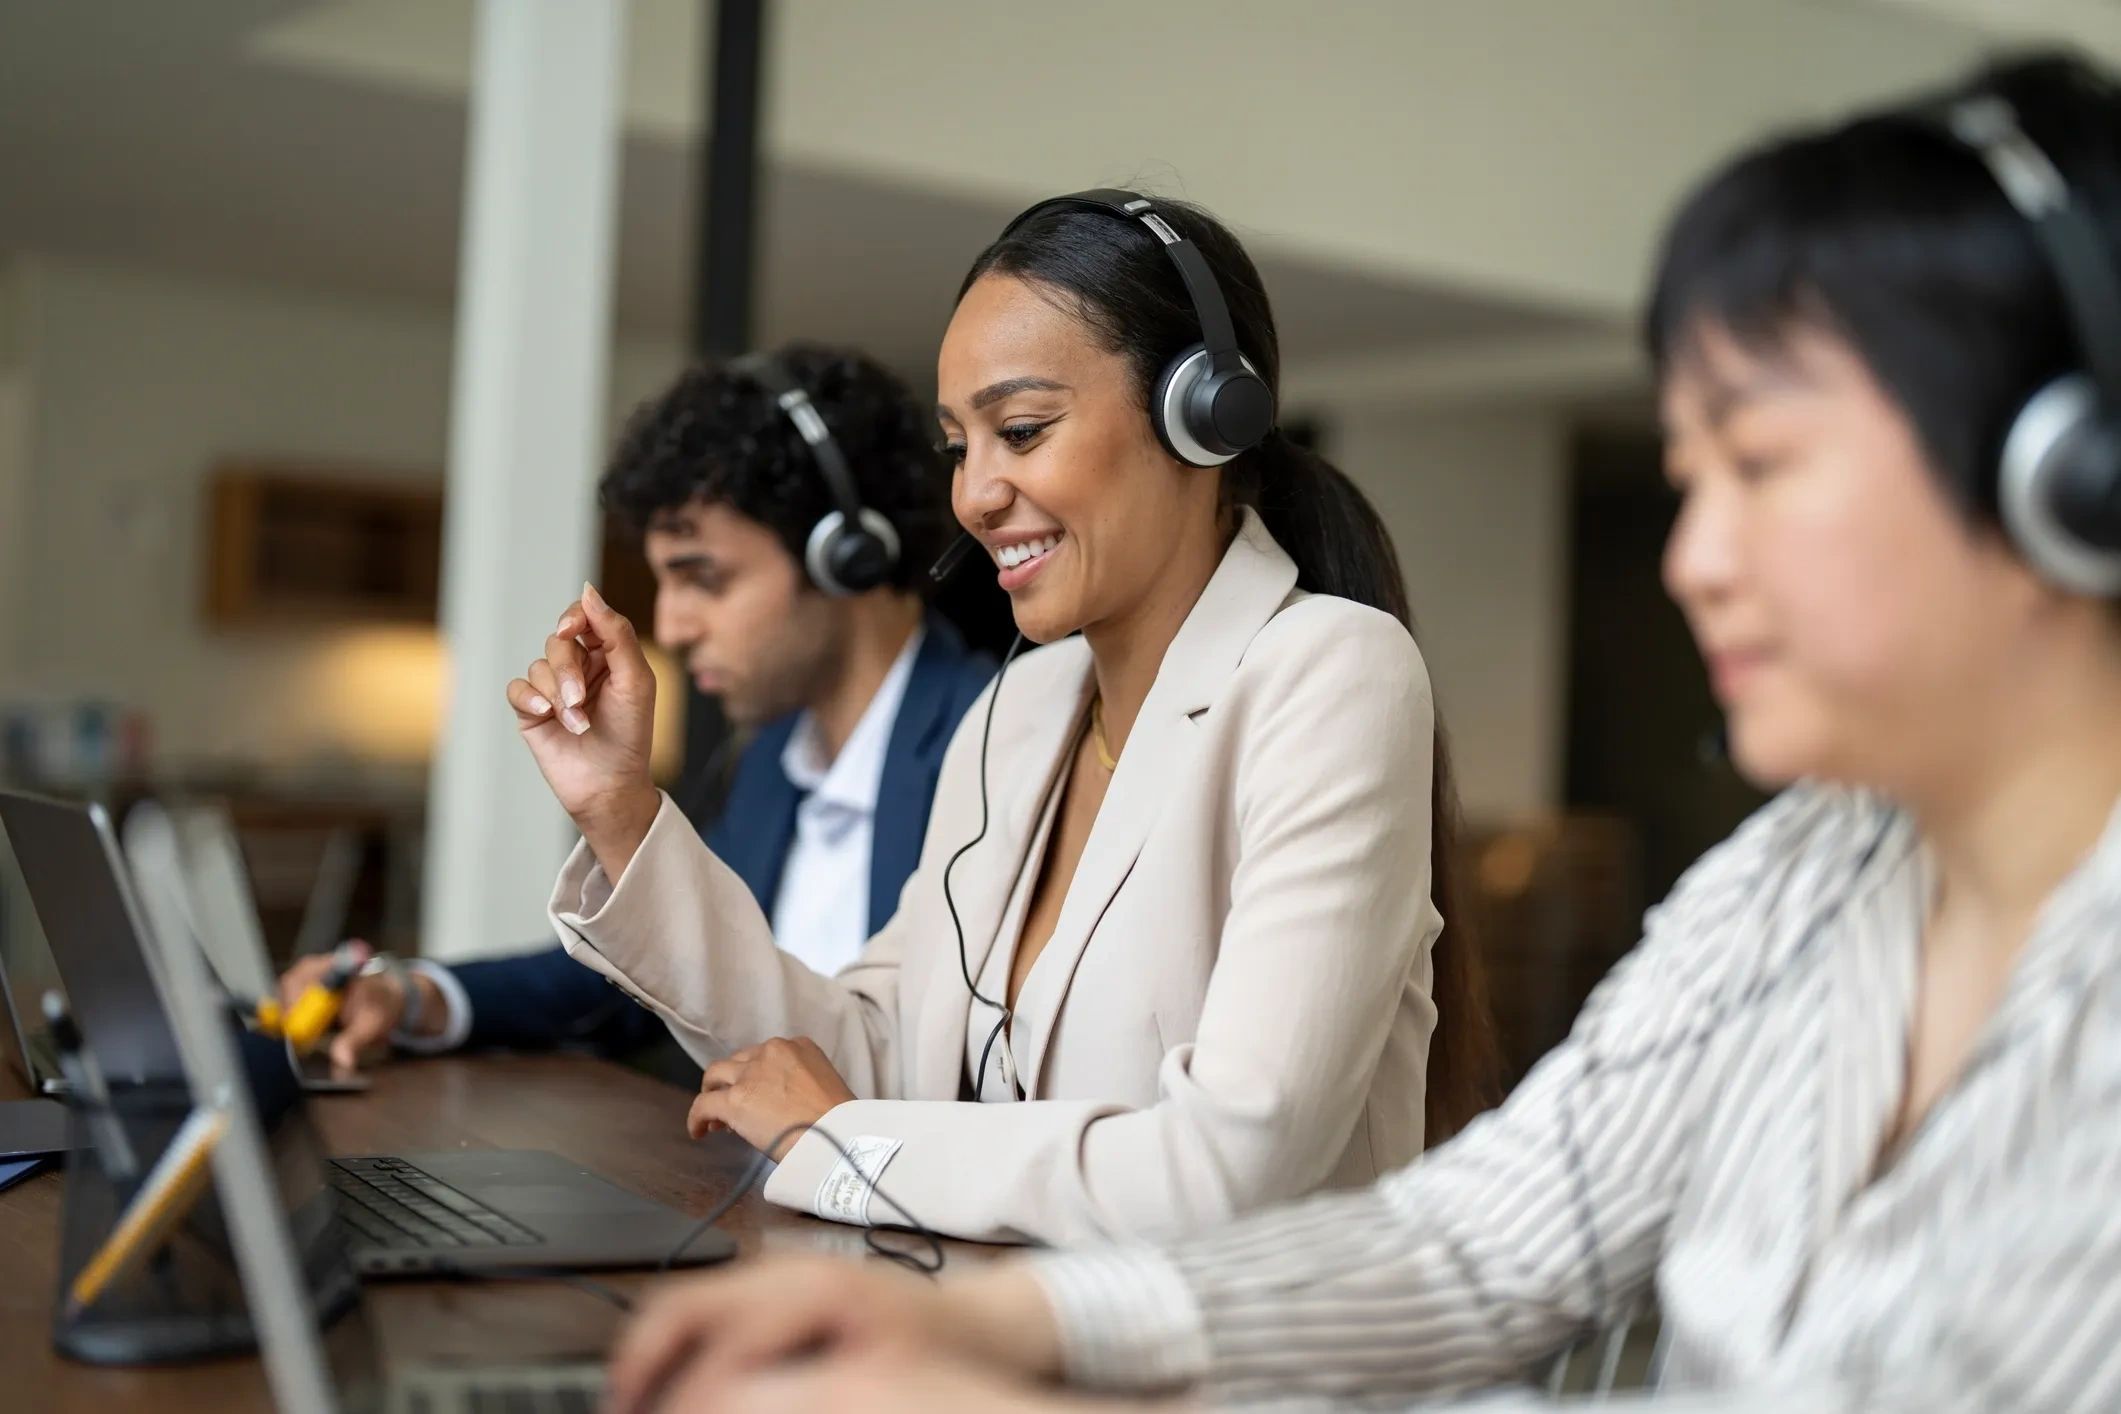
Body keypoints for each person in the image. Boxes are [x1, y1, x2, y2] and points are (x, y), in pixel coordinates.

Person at [589, 52, 2121, 1414]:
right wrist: (1002, 1324)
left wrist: (987, 1352)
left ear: (2073, 475)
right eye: (1686, 476)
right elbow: (1479, 1240)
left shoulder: (1325, 673)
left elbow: (1239, 1174)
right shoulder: (1801, 875)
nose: (1691, 558)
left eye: (1764, 461)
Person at [508, 191, 1497, 1245]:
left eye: (1020, 430)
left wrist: (847, 1143)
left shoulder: (1329, 674)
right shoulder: (1017, 708)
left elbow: (1231, 1161)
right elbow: (865, 1050)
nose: (975, 495)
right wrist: (620, 808)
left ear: (1201, 412)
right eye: (959, 447)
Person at [279, 345, 994, 1077]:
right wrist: (415, 994)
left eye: (703, 579)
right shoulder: (774, 761)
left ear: (847, 557)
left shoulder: (999, 746)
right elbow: (655, 979)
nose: (673, 627)